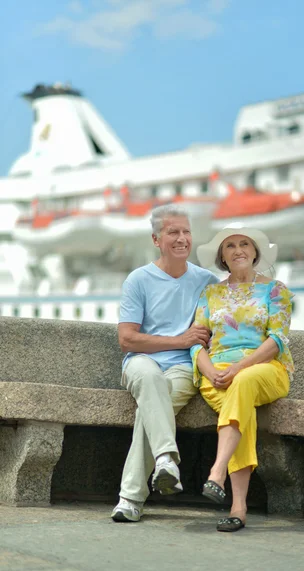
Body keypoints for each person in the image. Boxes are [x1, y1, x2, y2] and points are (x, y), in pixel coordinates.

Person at [112, 205, 219, 523]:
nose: (182, 238)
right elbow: (127, 340)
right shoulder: (138, 280)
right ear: (157, 239)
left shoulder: (207, 282)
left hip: (184, 368)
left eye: (186, 231)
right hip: (141, 362)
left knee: (151, 409)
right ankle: (165, 459)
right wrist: (181, 339)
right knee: (151, 381)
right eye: (174, 232)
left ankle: (132, 498)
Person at [190, 225, 294, 532]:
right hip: (218, 374)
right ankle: (238, 508)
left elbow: (277, 340)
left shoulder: (276, 290)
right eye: (230, 246)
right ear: (222, 256)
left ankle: (217, 472)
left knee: (243, 385)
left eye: (244, 244)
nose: (238, 250)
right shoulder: (211, 293)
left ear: (255, 251)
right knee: (241, 406)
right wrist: (209, 370)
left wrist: (239, 368)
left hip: (266, 369)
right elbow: (196, 342)